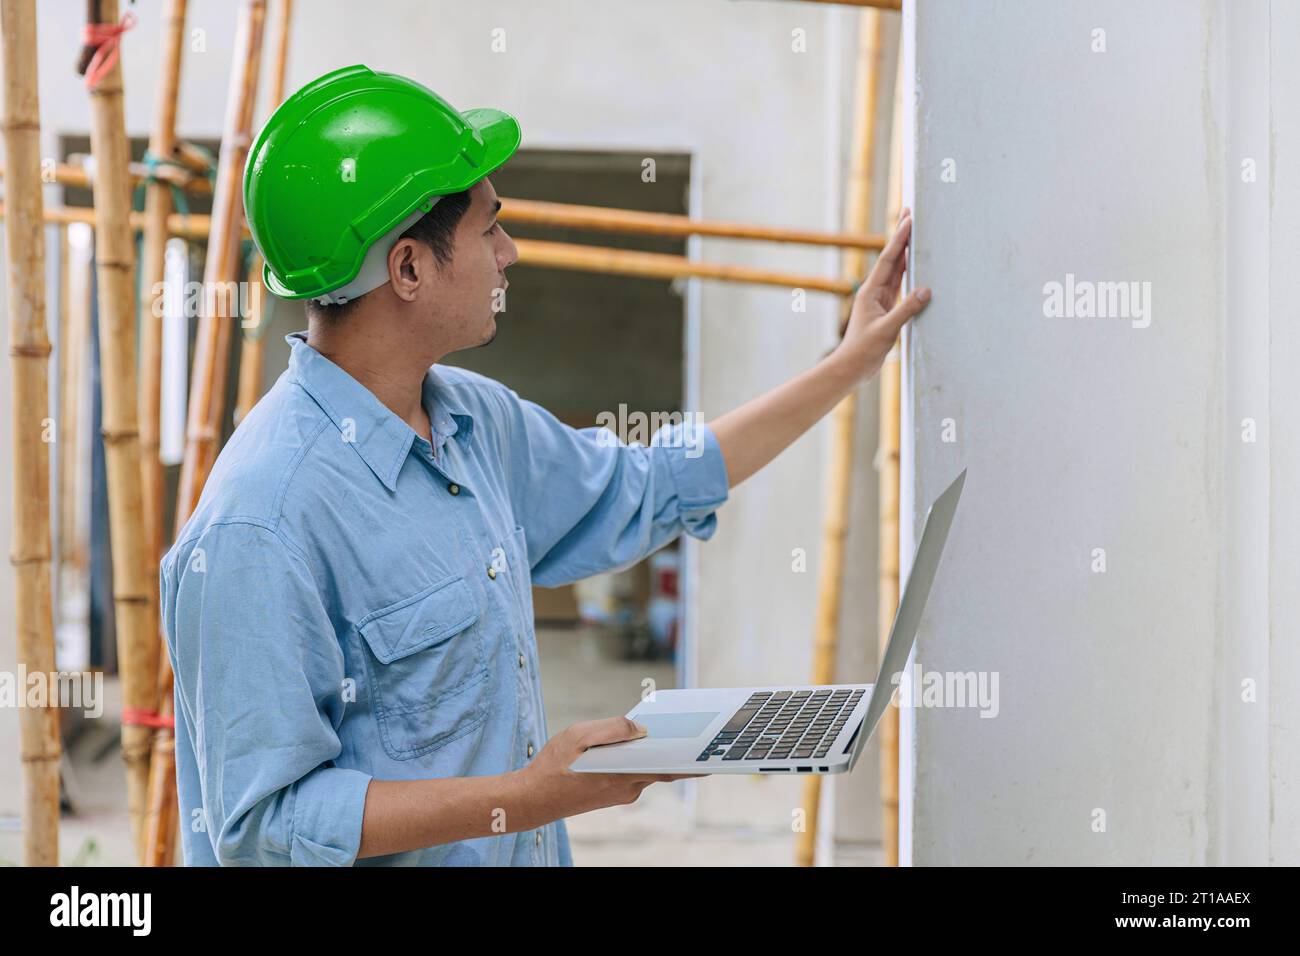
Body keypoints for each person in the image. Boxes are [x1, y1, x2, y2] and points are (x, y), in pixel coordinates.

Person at [160, 65, 931, 866]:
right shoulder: (260, 523)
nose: (510, 252)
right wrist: (530, 796)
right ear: (409, 268)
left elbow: (648, 486)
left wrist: (851, 363)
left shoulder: (471, 422)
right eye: (489, 228)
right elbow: (263, 827)